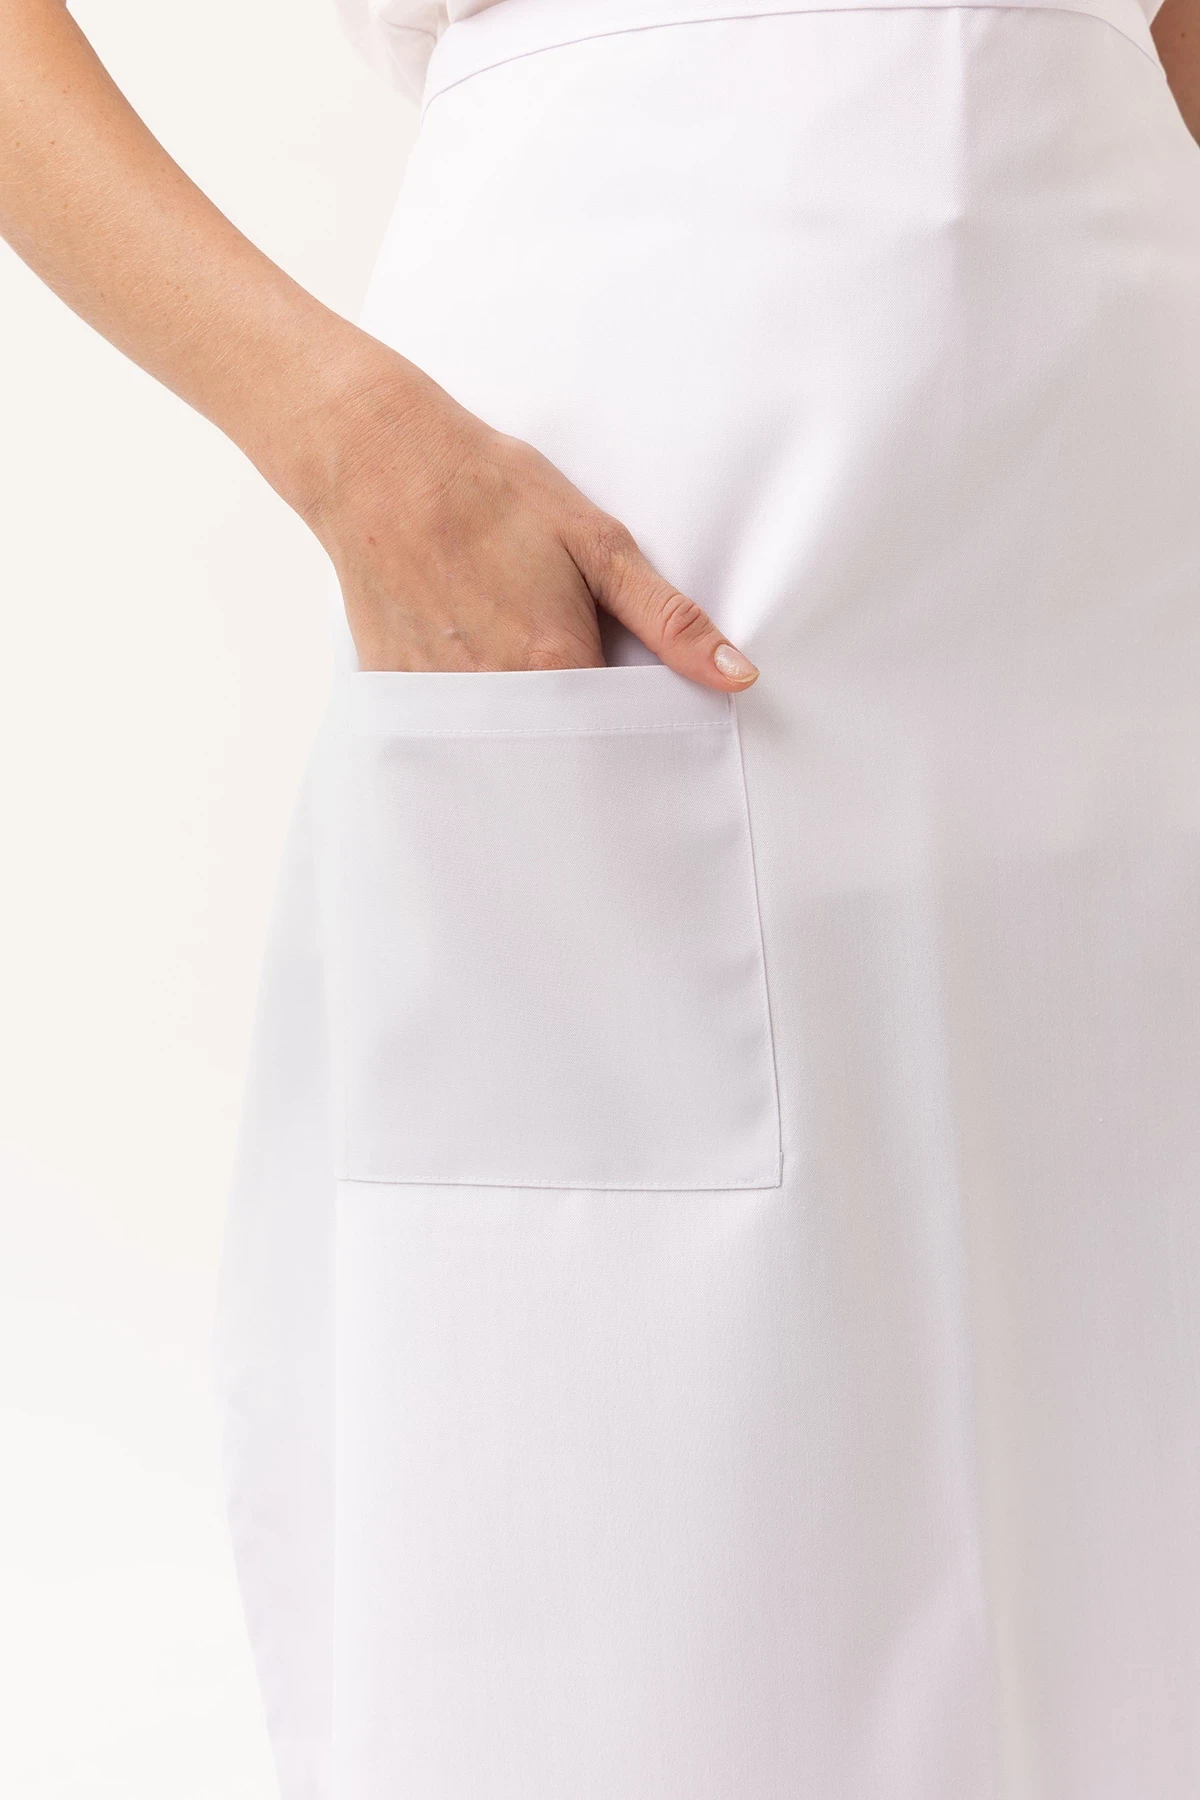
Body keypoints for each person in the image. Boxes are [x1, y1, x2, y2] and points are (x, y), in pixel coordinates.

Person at [5, 0, 1200, 1793]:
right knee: (626, 1475)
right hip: (628, 451)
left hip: (1124, 433)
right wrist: (350, 441)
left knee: (1119, 1428)